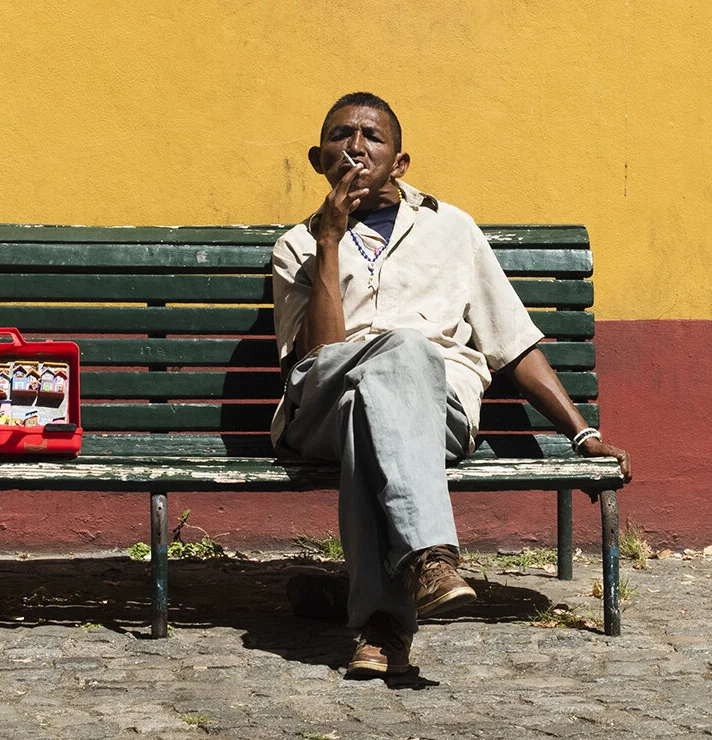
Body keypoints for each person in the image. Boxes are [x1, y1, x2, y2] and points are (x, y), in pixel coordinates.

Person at [271, 92, 632, 679]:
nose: (355, 149)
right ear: (318, 158)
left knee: (382, 401)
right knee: (396, 353)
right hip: (322, 410)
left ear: (400, 162)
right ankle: (428, 555)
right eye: (340, 136)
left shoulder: (453, 230)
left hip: (435, 410)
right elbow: (316, 358)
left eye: (372, 137)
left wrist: (581, 432)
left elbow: (512, 343)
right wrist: (331, 241)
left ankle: (382, 627)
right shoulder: (298, 246)